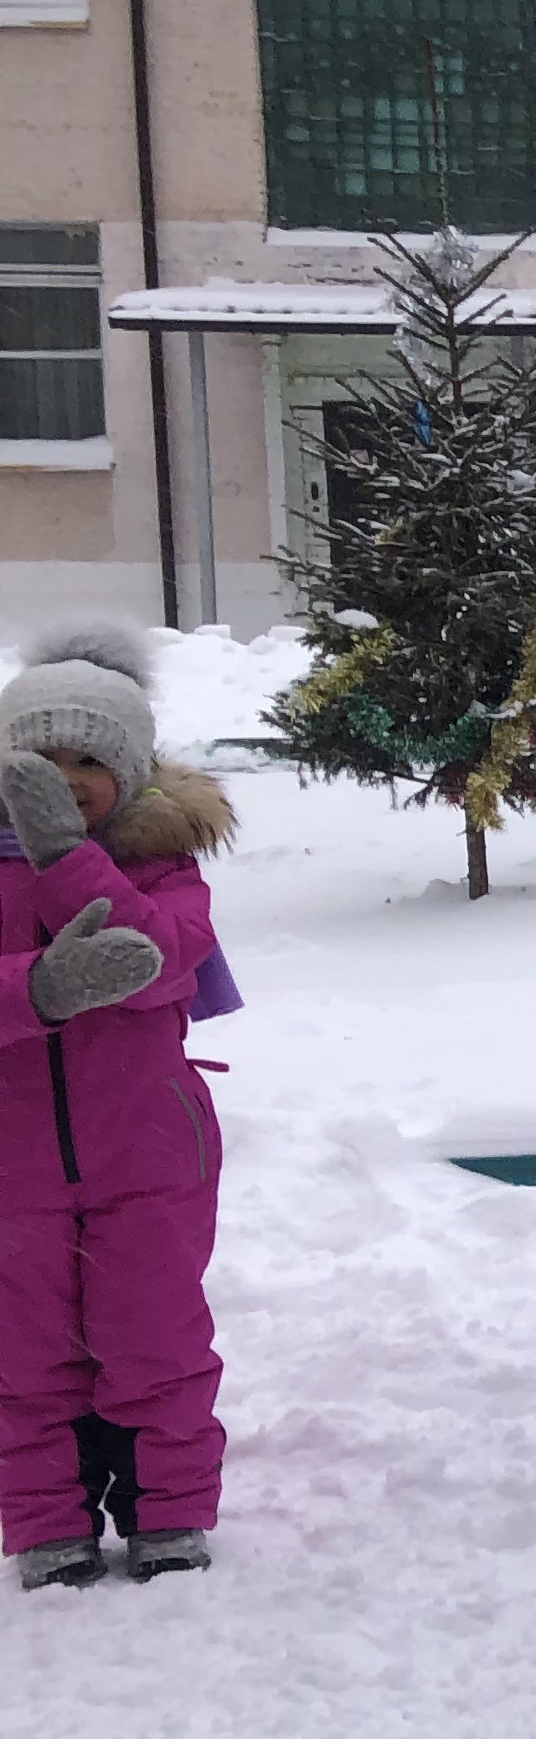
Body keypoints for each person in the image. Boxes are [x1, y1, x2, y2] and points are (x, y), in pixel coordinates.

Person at [0, 630, 236, 1589]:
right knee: (23, 1355)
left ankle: (167, 1514)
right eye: (42, 757)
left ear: (131, 773)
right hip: (12, 1168)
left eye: (91, 759)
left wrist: (66, 859)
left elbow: (154, 961)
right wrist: (36, 990)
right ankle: (48, 1523)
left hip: (146, 1156)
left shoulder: (161, 870)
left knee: (158, 1339)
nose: (67, 778)